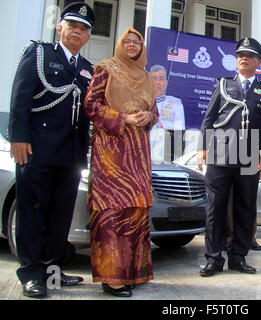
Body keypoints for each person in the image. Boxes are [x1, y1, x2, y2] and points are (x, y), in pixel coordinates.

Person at [8, 2, 95, 298]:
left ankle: (52, 271)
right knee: (33, 212)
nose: (77, 31)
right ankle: (31, 273)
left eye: (84, 29)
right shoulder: (40, 53)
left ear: (88, 37)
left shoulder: (87, 69)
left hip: (71, 155)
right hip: (38, 150)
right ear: (60, 28)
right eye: (72, 25)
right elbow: (20, 95)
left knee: (60, 215)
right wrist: (18, 138)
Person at [84, 27, 159, 297]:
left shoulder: (147, 76)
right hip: (112, 151)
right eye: (126, 41)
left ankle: (131, 274)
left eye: (136, 41)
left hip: (138, 151)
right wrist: (123, 118)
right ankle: (111, 277)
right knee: (111, 210)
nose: (131, 44)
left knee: (135, 210)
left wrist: (148, 117)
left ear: (141, 46)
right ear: (119, 44)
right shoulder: (106, 68)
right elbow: (91, 105)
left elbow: (154, 110)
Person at [197, 37, 261, 277]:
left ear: (258, 61)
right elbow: (209, 119)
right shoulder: (223, 85)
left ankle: (238, 257)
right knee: (216, 209)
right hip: (221, 150)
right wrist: (203, 148)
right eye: (241, 54)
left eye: (249, 55)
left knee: (245, 209)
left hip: (250, 153)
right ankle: (213, 258)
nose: (244, 58)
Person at [150, 64, 185, 130]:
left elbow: (179, 135)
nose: (158, 82)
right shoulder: (141, 103)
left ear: (166, 83)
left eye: (161, 78)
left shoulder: (176, 105)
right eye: (154, 78)